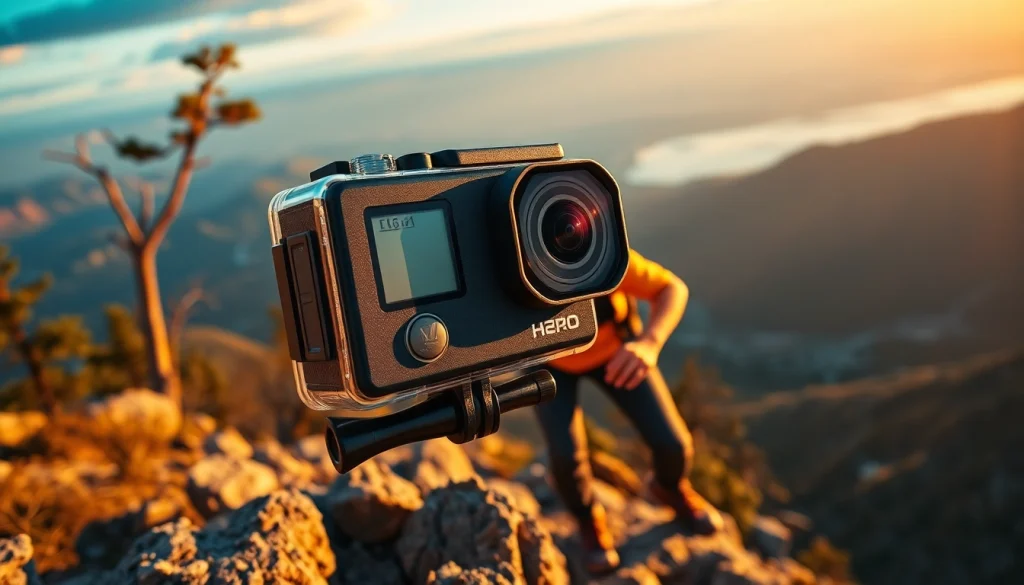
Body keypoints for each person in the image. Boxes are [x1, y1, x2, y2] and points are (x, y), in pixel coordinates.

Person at [535, 248, 724, 574]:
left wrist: (650, 343)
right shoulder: (516, 270)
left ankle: (669, 488)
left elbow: (672, 288)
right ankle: (588, 521)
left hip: (617, 351)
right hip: (550, 363)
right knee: (565, 457)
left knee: (674, 445)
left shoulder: (598, 252)